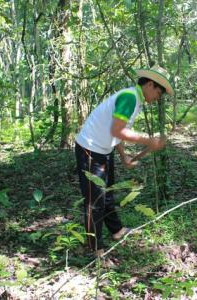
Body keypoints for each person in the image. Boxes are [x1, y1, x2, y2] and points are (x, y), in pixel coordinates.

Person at [75, 65, 174, 256]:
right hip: (89, 148)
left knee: (108, 193)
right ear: (150, 84)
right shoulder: (130, 97)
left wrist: (123, 155)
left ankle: (117, 230)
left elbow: (118, 131)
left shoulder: (135, 100)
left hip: (104, 149)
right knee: (95, 201)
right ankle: (96, 249)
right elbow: (117, 130)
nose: (158, 98)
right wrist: (148, 140)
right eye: (159, 92)